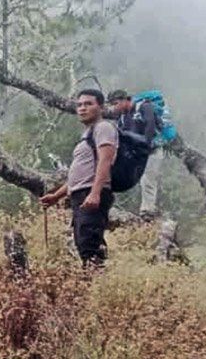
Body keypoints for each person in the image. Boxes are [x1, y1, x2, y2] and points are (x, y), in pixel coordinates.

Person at [39, 89, 118, 265]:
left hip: (91, 194)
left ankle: (97, 284)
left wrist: (95, 193)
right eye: (79, 105)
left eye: (88, 104)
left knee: (89, 245)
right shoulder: (87, 134)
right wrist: (56, 196)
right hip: (82, 194)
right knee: (86, 242)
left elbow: (106, 160)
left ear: (101, 107)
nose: (82, 108)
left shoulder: (103, 128)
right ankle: (96, 283)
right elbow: (78, 176)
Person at [108, 89, 162, 220]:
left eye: (115, 103)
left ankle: (148, 211)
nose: (114, 107)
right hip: (134, 152)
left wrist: (147, 145)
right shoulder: (121, 117)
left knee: (148, 179)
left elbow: (150, 125)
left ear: (125, 100)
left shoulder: (144, 106)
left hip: (152, 150)